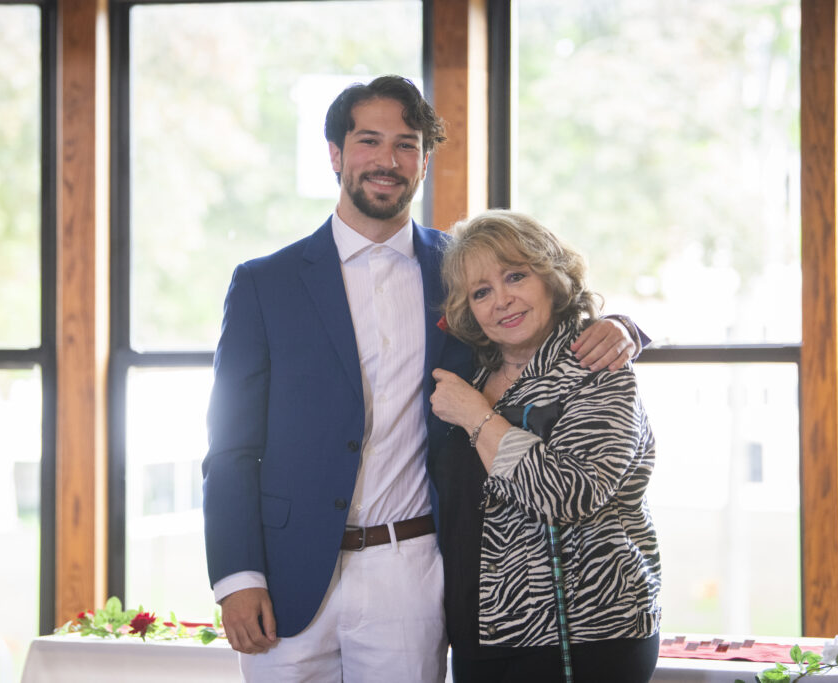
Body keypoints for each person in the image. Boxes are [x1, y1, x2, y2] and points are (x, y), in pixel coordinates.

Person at [201, 75, 640, 682]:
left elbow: (548, 310)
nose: (387, 160)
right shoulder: (263, 284)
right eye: (369, 141)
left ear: (424, 162)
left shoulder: (463, 272)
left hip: (410, 572)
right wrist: (237, 576)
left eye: (406, 145)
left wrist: (627, 326)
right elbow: (230, 448)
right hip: (287, 576)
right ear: (335, 154)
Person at [428, 209, 661, 683]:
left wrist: (476, 416)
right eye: (481, 291)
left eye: (516, 275)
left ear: (552, 278)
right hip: (482, 630)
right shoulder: (472, 371)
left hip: (589, 633)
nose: (502, 300)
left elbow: (567, 493)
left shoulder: (598, 366)